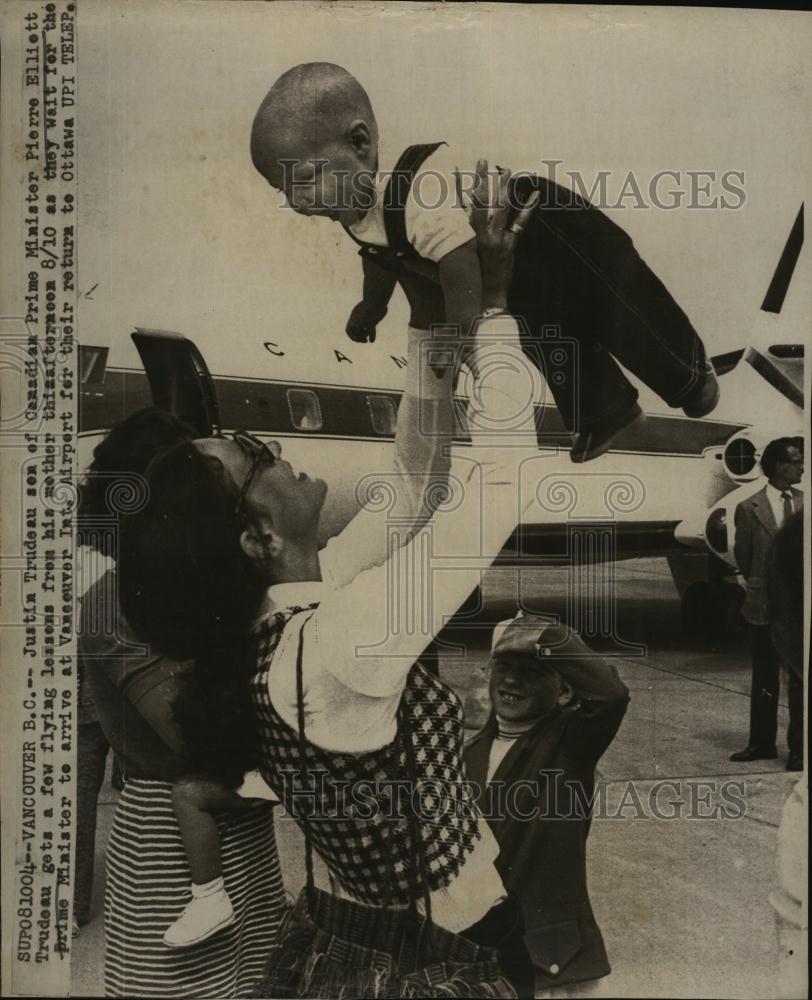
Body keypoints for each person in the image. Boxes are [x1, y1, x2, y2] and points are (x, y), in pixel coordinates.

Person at [120, 166, 541, 997]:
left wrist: (430, 327)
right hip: (455, 940)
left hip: (356, 929)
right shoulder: (344, 644)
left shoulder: (289, 620)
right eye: (256, 458)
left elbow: (415, 486)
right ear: (258, 535)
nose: (274, 450)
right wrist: (492, 312)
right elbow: (501, 483)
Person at [250, 61, 719, 464]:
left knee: (619, 302)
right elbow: (383, 255)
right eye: (283, 190)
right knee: (547, 336)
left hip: (545, 227)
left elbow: (459, 267)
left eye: (305, 180)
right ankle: (607, 413)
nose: (296, 202)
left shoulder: (419, 191)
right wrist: (371, 307)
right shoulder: (351, 204)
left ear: (360, 143)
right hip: (501, 264)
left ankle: (687, 374)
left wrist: (458, 341)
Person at [78, 408, 287, 997]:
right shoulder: (113, 605)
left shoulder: (204, 582)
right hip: (170, 845)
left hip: (234, 830)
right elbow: (194, 738)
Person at [464, 612, 629, 991]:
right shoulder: (469, 753)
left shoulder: (569, 744)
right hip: (479, 959)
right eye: (503, 666)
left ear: (564, 692)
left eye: (533, 671)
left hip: (549, 964)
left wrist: (543, 634)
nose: (511, 679)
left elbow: (611, 694)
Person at [730, 437, 803, 770]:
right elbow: (744, 558)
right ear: (778, 465)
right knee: (764, 677)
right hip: (762, 607)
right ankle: (761, 743)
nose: (802, 466)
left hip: (798, 607)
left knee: (801, 679)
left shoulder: (806, 504)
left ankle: (800, 748)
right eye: (796, 460)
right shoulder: (749, 508)